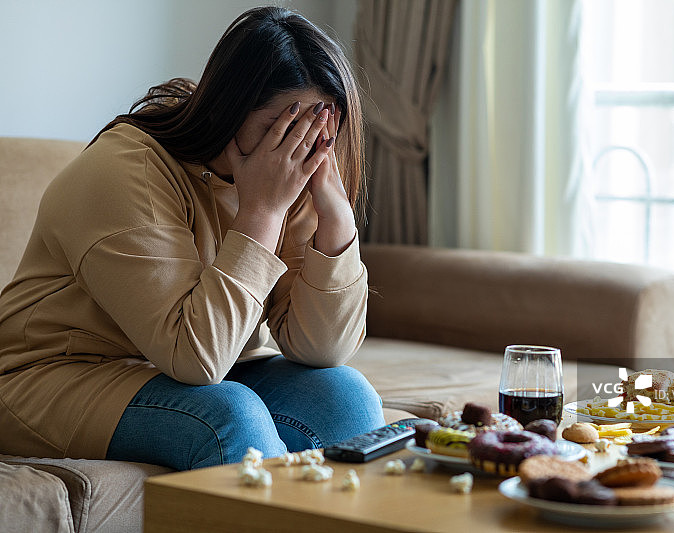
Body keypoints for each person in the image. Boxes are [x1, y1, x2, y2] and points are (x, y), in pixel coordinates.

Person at [0, 6, 385, 470]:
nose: (296, 148)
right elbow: (197, 359)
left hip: (186, 371)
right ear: (228, 110)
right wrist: (261, 212)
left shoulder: (297, 176)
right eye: (279, 129)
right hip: (57, 377)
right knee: (228, 419)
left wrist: (336, 216)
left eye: (315, 132)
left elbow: (321, 349)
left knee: (346, 399)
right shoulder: (123, 170)